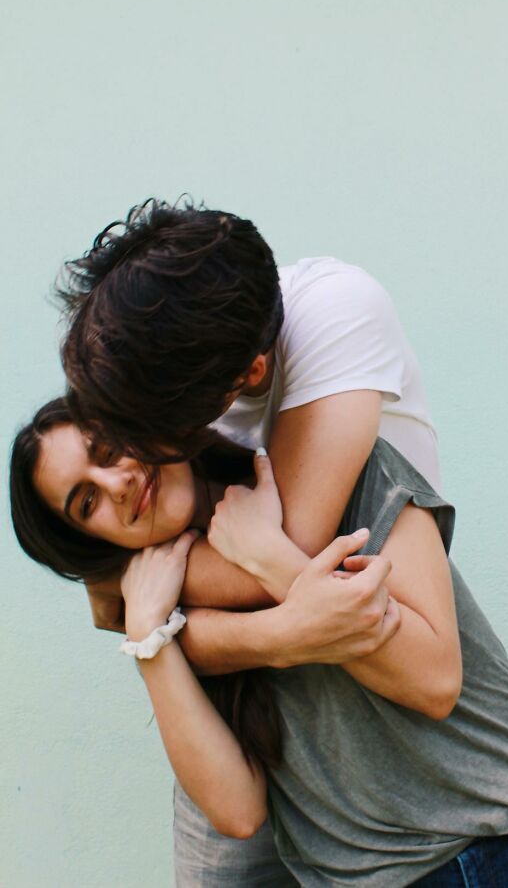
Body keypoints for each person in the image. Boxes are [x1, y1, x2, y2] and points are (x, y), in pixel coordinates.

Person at [10, 400, 508, 887]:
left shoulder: (343, 472)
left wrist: (271, 561)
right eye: (86, 499)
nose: (117, 481)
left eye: (107, 447)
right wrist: (148, 637)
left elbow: (433, 682)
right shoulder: (171, 612)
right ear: (91, 543)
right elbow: (237, 811)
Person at [58, 197, 444, 883]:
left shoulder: (333, 311)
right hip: (240, 715)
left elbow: (272, 557)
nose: (131, 464)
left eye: (144, 436)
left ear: (249, 377)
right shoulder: (140, 361)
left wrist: (138, 600)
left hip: (373, 703)